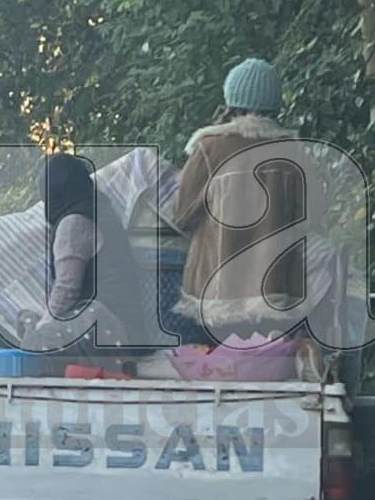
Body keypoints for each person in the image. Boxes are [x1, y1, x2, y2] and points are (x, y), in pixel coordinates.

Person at [173, 58, 307, 337]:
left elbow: (183, 212)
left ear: (231, 99)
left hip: (218, 290)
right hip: (276, 288)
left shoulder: (210, 148)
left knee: (224, 370)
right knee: (270, 370)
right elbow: (312, 215)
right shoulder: (292, 151)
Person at [29, 153, 148, 348]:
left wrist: (42, 328)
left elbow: (67, 288)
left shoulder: (74, 222)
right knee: (29, 320)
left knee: (35, 340)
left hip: (108, 332)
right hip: (127, 330)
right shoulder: (101, 210)